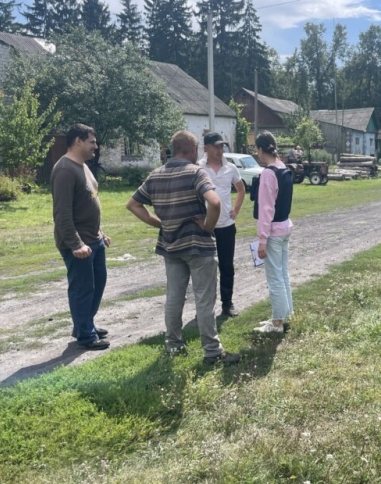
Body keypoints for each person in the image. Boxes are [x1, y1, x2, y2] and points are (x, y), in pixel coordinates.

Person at [126, 130, 240, 365]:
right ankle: (212, 351)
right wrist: (208, 227)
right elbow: (215, 201)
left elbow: (133, 204)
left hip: (171, 245)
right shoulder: (196, 173)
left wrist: (159, 223)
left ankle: (174, 345)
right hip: (198, 245)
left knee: (174, 297)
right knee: (204, 299)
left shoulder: (155, 175)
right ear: (192, 150)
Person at [51, 123, 111, 350]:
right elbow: (62, 213)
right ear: (78, 141)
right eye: (92, 142)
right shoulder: (65, 170)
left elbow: (88, 202)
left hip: (93, 239)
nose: (95, 146)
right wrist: (76, 244)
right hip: (78, 243)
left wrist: (100, 233)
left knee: (98, 284)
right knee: (83, 288)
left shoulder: (82, 166)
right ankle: (86, 336)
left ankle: (85, 324)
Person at [198, 131, 245, 318]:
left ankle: (227, 303)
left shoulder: (231, 168)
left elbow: (241, 190)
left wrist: (236, 209)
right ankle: (205, 307)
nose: (220, 150)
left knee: (226, 265)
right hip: (205, 226)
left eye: (222, 146)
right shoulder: (198, 168)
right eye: (216, 146)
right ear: (206, 148)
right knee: (205, 267)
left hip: (226, 225)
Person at [253, 131, 294, 334]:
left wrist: (262, 240)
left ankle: (277, 323)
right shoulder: (283, 168)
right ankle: (286, 314)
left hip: (274, 233)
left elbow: (265, 209)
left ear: (260, 150)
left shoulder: (268, 173)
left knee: (274, 277)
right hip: (285, 226)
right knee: (283, 274)